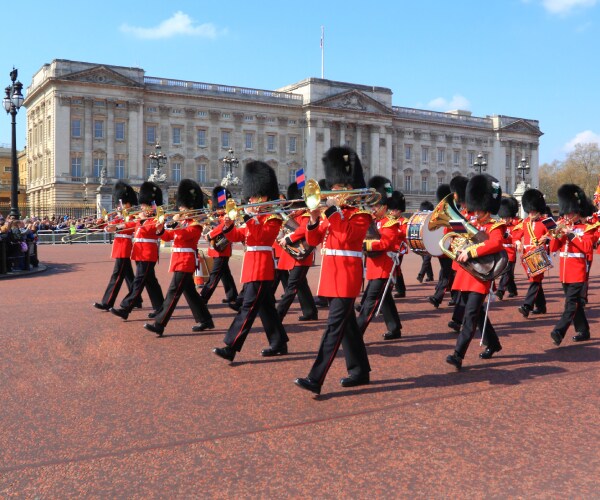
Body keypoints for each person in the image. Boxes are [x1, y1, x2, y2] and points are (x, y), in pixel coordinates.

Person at [295, 146, 372, 395]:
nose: (335, 191)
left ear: (351, 189)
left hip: (347, 276)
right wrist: (315, 218)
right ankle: (360, 371)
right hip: (331, 275)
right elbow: (314, 240)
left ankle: (315, 378)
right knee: (348, 326)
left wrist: (331, 211)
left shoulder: (361, 214)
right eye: (334, 187)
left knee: (333, 328)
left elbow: (349, 237)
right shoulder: (332, 214)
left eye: (340, 187)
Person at [212, 161, 289, 362]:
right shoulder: (254, 217)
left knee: (248, 308)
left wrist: (249, 219)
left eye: (254, 196)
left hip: (261, 267)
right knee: (266, 308)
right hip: (252, 266)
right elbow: (240, 236)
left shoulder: (273, 218)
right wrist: (228, 227)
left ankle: (231, 346)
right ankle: (279, 342)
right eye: (251, 196)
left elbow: (263, 237)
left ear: (264, 197)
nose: (251, 199)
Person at [446, 174, 506, 370]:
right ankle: (493, 343)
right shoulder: (470, 223)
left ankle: (458, 354)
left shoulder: (496, 225)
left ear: (487, 208)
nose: (476, 212)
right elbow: (454, 238)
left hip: (480, 277)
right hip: (465, 275)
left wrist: (472, 250)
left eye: (479, 209)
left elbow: (496, 243)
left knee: (470, 316)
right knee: (478, 313)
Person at [144, 179, 214, 336]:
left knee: (173, 292)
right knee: (190, 292)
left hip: (186, 260)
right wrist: (161, 230)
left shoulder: (195, 222)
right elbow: (169, 237)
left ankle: (160, 323)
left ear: (190, 207)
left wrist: (176, 225)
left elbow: (187, 236)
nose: (179, 208)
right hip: (179, 259)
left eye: (182, 206)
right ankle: (205, 320)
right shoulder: (183, 221)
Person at [546, 184, 595, 345]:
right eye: (566, 212)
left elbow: (587, 248)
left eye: (570, 212)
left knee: (570, 304)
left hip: (578, 272)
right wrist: (556, 235)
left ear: (577, 212)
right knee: (575, 305)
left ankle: (559, 331)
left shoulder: (586, 228)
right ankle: (584, 330)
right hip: (565, 273)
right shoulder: (563, 227)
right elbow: (553, 248)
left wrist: (571, 234)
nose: (567, 216)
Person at [109, 181, 165, 320]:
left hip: (148, 254)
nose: (142, 207)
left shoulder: (156, 219)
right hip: (140, 253)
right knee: (150, 281)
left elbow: (150, 230)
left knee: (139, 281)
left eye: (145, 205)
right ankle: (160, 308)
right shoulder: (143, 218)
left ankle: (125, 308)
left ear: (152, 206)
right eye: (142, 205)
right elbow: (129, 225)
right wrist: (116, 227)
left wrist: (142, 220)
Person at [357, 175, 402, 340]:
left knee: (370, 302)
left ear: (384, 206)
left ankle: (357, 332)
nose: (373, 209)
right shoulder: (373, 221)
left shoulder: (390, 223)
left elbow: (385, 244)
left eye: (376, 206)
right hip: (374, 265)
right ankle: (395, 328)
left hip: (383, 267)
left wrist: (366, 245)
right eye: (372, 207)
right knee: (385, 299)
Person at [93, 181, 140, 311]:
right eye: (120, 203)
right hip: (119, 246)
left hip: (125, 247)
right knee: (127, 274)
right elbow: (111, 225)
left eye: (123, 203)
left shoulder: (133, 215)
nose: (121, 206)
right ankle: (137, 299)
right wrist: (101, 223)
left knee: (117, 275)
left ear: (130, 203)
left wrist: (116, 226)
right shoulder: (120, 216)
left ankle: (107, 302)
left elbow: (130, 227)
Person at [276, 181, 319, 323]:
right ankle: (310, 311)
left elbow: (303, 229)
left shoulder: (306, 214)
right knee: (301, 285)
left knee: (291, 287)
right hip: (292, 254)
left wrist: (289, 238)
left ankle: (278, 315)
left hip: (301, 255)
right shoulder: (294, 215)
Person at [511, 189, 549, 317]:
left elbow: (557, 234)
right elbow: (515, 236)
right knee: (536, 281)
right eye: (530, 211)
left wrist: (547, 237)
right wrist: (517, 243)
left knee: (535, 280)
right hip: (526, 255)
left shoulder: (546, 221)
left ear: (539, 211)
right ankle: (541, 306)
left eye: (534, 211)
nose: (532, 213)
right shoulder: (525, 222)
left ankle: (527, 306)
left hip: (539, 254)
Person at [199, 186, 239, 307]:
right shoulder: (220, 216)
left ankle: (203, 297)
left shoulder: (227, 216)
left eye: (219, 207)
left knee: (214, 276)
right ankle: (232, 296)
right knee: (225, 274)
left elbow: (222, 228)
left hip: (222, 250)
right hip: (217, 249)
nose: (217, 210)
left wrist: (210, 234)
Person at [428, 184, 456, 308]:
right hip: (443, 249)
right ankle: (455, 298)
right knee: (449, 274)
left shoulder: (454, 214)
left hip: (451, 249)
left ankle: (437, 297)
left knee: (446, 274)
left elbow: (460, 231)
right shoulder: (440, 213)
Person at [495, 196, 520, 300]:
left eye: (506, 218)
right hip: (501, 251)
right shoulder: (499, 225)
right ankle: (513, 290)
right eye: (503, 218)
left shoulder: (517, 224)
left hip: (511, 252)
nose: (504, 220)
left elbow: (517, 236)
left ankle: (500, 291)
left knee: (506, 272)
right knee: (508, 273)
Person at [389, 191, 408, 298]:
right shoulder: (389, 220)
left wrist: (394, 230)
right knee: (396, 269)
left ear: (399, 211)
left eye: (394, 210)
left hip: (400, 249)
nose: (391, 212)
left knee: (394, 268)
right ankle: (401, 290)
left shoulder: (403, 221)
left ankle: (392, 289)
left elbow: (404, 233)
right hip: (391, 248)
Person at [416, 200, 434, 282]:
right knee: (425, 259)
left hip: (430, 241)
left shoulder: (432, 218)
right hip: (422, 241)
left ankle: (421, 275)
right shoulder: (420, 218)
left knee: (426, 259)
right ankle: (430, 276)